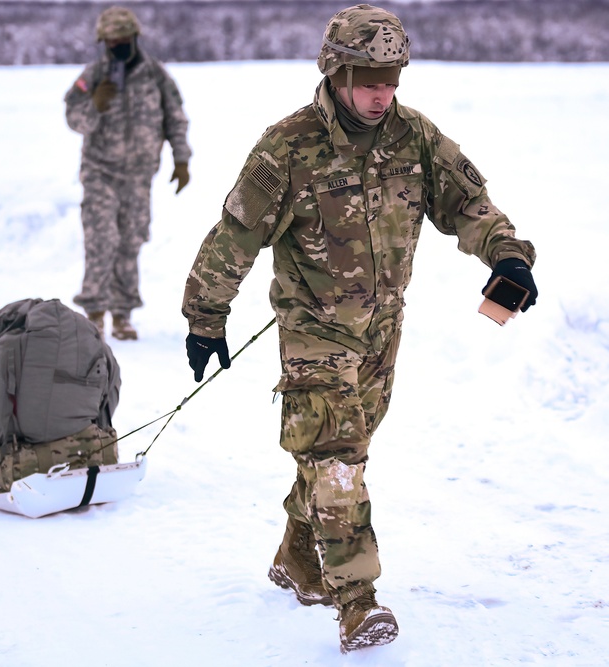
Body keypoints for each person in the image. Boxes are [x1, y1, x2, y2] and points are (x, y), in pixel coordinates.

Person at [181, 4, 537, 653]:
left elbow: (467, 203)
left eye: (393, 78)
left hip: (381, 334)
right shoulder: (288, 147)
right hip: (314, 334)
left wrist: (507, 254)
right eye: (370, 78)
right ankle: (357, 602)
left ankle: (299, 557)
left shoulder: (415, 137)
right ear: (337, 70)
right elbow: (235, 235)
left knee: (338, 456)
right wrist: (205, 315)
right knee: (337, 459)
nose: (382, 92)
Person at [65, 6, 192, 340]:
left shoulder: (156, 75)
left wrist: (181, 159)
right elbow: (73, 119)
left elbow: (175, 118)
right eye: (111, 41)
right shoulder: (93, 75)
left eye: (123, 39)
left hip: (139, 175)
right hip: (100, 171)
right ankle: (94, 312)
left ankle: (122, 314)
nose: (117, 45)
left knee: (131, 241)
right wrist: (95, 104)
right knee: (101, 237)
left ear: (135, 38)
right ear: (103, 42)